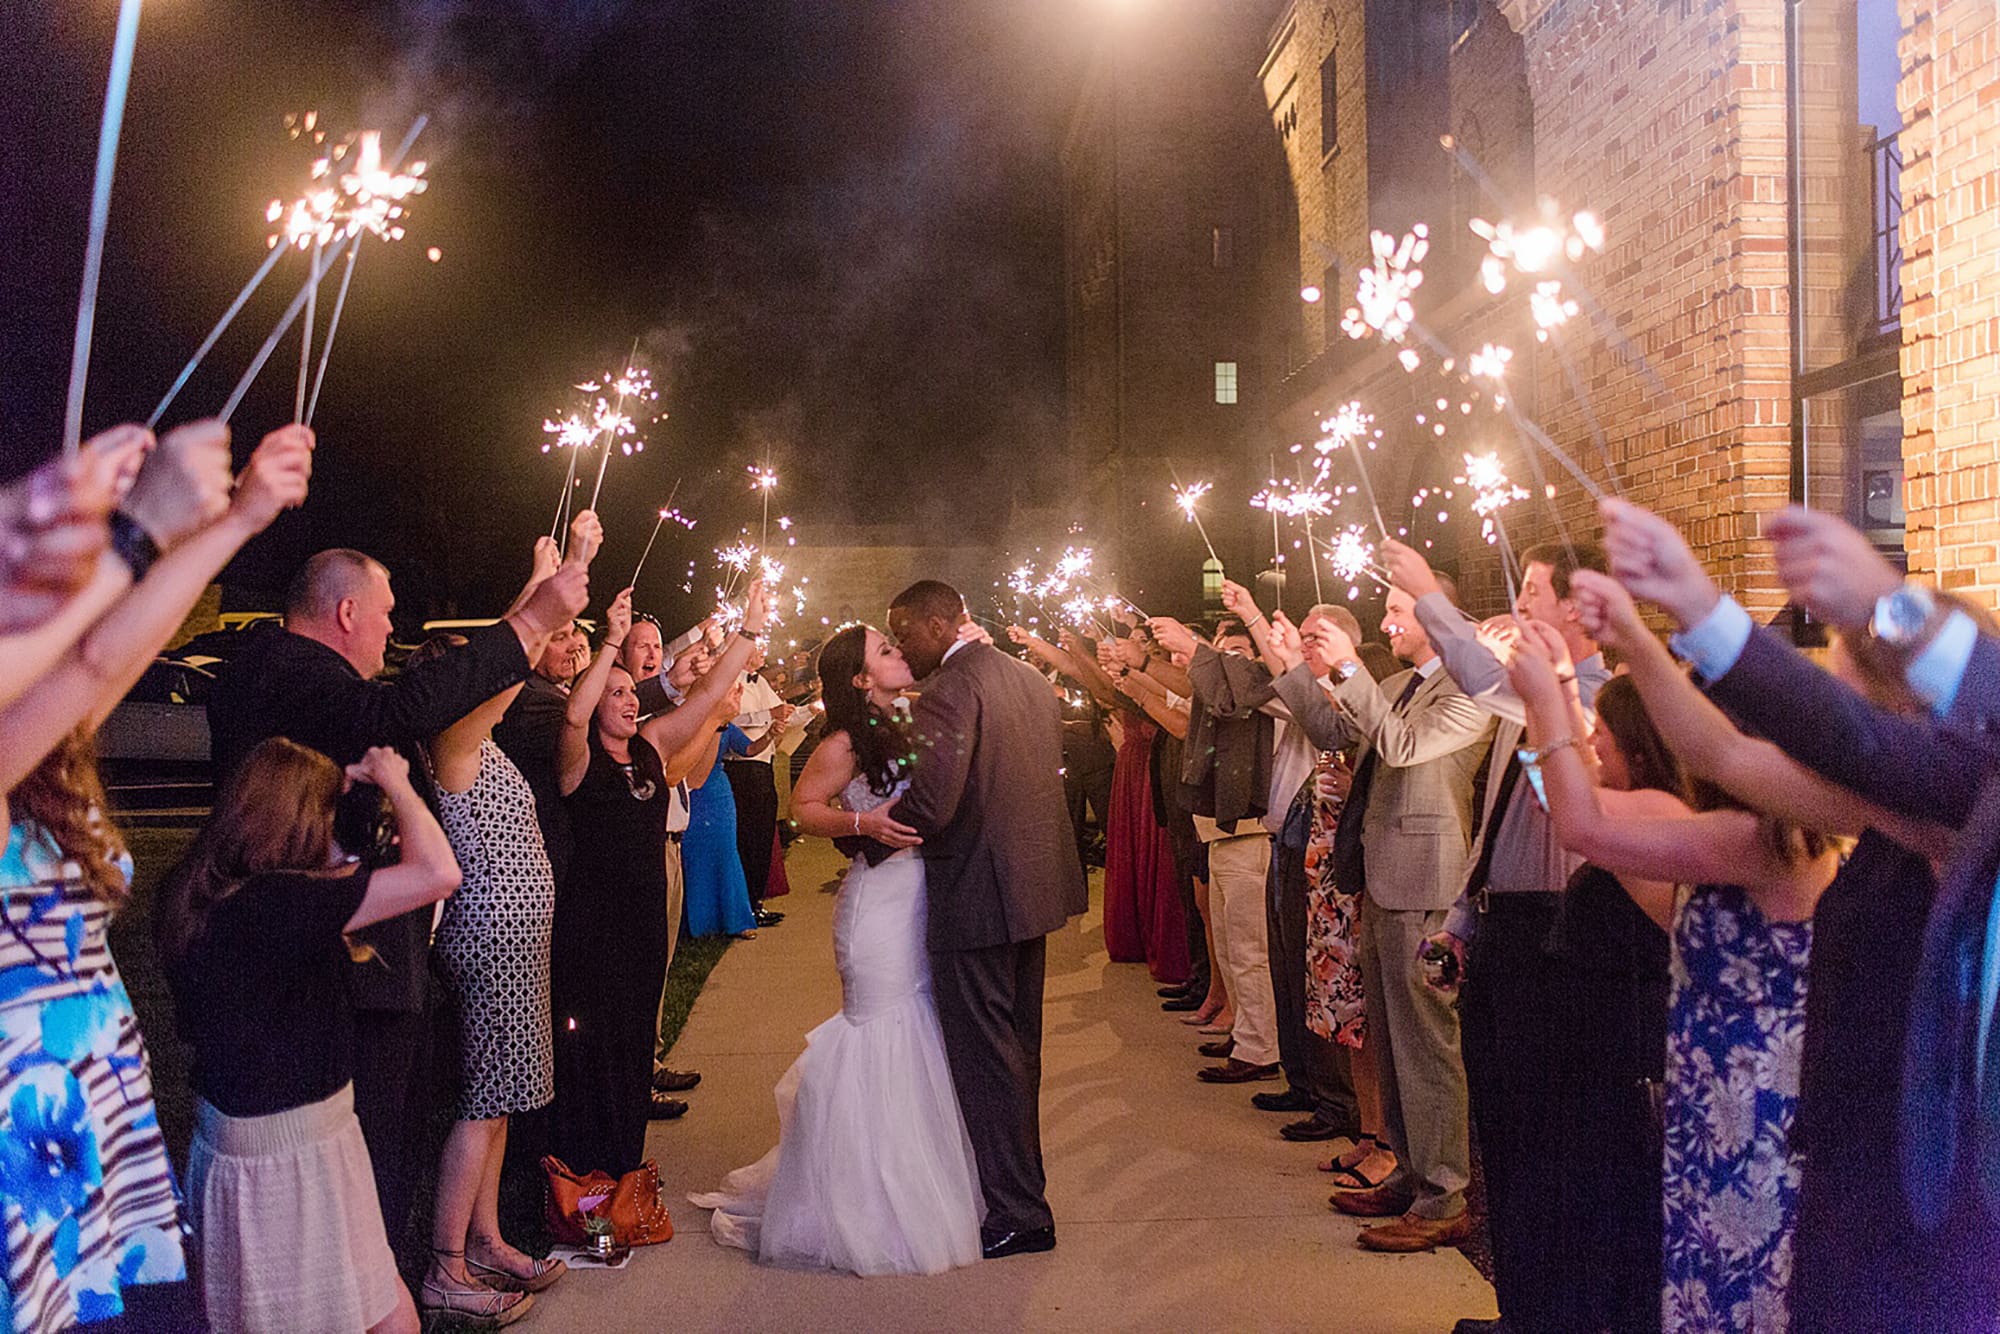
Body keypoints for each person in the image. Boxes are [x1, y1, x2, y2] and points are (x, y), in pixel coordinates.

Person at [1595, 498, 2000, 1331]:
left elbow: (1832, 738)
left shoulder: (1946, 812)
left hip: (1919, 1192)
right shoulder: (1890, 811)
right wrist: (1660, 629)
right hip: (1852, 1162)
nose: (1829, 702)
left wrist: (1886, 609)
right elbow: (1725, 753)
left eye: (1848, 692)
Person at [204, 517, 592, 1247]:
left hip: (355, 942)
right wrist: (535, 616)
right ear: (347, 612)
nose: (390, 636)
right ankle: (373, 1273)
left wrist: (532, 605)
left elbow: (442, 697)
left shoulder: (293, 672)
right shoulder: (291, 671)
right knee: (370, 1141)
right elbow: (403, 711)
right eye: (384, 616)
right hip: (333, 952)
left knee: (387, 1135)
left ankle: (377, 1275)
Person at [0, 421, 307, 1332]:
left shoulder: (43, 750)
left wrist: (237, 519)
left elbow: (112, 653)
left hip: (95, 1125)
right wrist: (134, 533)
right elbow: (91, 651)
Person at [1506, 614, 1839, 1331]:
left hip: (1751, 1104)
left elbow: (1583, 826)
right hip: (1714, 1090)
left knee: (1738, 1287)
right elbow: (1568, 798)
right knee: (1700, 1279)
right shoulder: (1745, 828)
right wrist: (1561, 686)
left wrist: (1544, 698)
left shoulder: (1762, 840)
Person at [689, 624, 984, 1274]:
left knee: (920, 1032)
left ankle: (909, 1179)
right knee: (878, 1029)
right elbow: (805, 805)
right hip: (878, 903)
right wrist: (865, 822)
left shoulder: (912, 716)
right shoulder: (845, 741)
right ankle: (851, 1199)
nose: (898, 654)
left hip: (925, 896)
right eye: (885, 650)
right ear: (859, 677)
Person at [1379, 539, 1612, 1333]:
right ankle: (1517, 1305)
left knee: (1546, 1149)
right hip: (1508, 932)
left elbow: (1479, 676)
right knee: (1504, 1142)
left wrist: (1424, 592)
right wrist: (1460, 923)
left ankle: (1546, 1313)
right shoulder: (1529, 702)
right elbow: (1497, 825)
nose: (1517, 609)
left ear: (1580, 610)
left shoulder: (1594, 699)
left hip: (1560, 940)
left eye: (1534, 593)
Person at [159, 741, 464, 1334]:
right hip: (289, 1161)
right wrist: (396, 783)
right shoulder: (276, 906)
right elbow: (439, 874)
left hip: (255, 1144)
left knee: (389, 1311)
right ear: (299, 823)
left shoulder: (200, 890)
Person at [1262, 586, 1495, 1252]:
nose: (1386, 621)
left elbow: (1398, 744)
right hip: (1380, 871)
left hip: (1425, 880)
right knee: (1392, 1043)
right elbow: (1339, 732)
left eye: (1398, 611)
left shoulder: (1467, 688)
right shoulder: (1397, 680)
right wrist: (1299, 667)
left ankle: (1445, 1195)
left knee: (1428, 1047)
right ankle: (1406, 1171)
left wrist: (1346, 668)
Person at [884, 580, 1088, 1259]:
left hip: (977, 893)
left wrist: (869, 832)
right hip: (1032, 887)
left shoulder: (949, 688)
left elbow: (936, 803)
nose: (904, 647)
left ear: (942, 623)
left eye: (906, 632)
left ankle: (1019, 1212)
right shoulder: (1027, 677)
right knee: (1018, 1052)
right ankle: (1020, 1191)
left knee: (988, 1060)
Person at [551, 585, 771, 1175]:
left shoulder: (649, 747)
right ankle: (584, 1181)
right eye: (616, 694)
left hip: (643, 928)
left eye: (630, 693)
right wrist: (612, 645)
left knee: (631, 1055)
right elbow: (574, 713)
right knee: (594, 1056)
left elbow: (703, 699)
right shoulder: (578, 764)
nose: (628, 702)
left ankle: (624, 1176)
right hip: (594, 934)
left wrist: (746, 632)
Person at [410, 622, 568, 1322]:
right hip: (490, 939)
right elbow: (496, 690)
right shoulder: (453, 745)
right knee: (484, 1100)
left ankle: (486, 1239)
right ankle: (446, 1266)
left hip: (519, 943)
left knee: (500, 1098)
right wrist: (539, 615)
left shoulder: (486, 745)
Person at [724, 645, 793, 928]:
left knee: (763, 838)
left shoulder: (760, 681)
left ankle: (756, 902)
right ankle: (745, 905)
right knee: (747, 840)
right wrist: (768, 715)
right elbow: (727, 720)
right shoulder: (729, 680)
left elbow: (776, 715)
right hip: (741, 768)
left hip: (762, 766)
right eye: (758, 646)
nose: (764, 650)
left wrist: (805, 712)